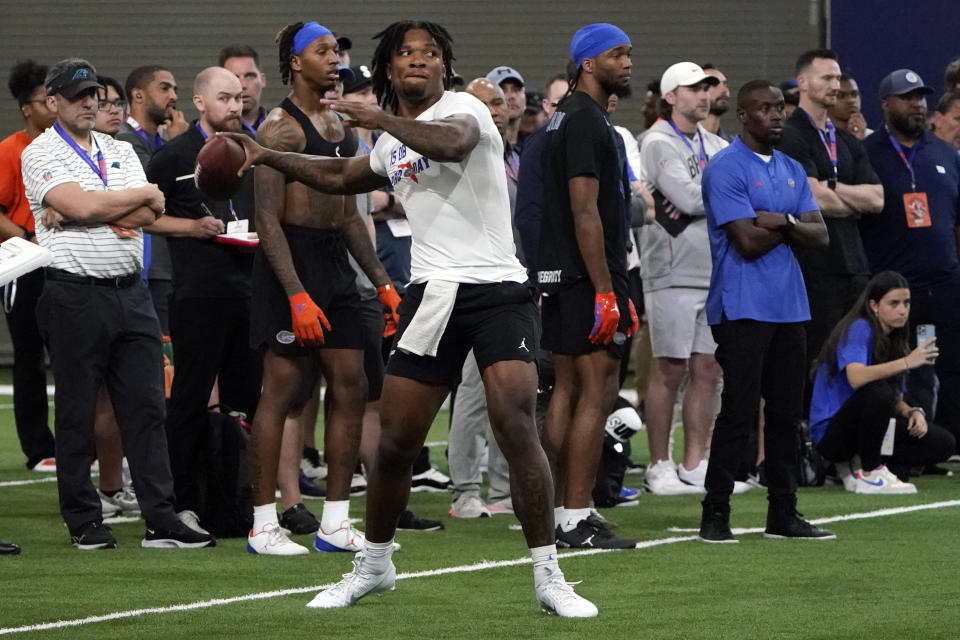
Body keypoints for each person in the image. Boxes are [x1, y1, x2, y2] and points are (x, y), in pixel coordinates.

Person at [222, 19, 597, 617]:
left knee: (514, 420)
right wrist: (272, 156)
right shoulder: (391, 142)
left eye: (429, 53)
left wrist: (377, 120)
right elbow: (346, 176)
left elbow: (448, 145)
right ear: (390, 68)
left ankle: (549, 576)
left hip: (497, 290)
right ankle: (373, 564)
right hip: (431, 294)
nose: (418, 60)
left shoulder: (466, 110)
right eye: (405, 53)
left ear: (444, 66)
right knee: (394, 442)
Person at [21, 58, 213, 550]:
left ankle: (161, 519)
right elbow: (87, 205)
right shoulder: (41, 153)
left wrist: (104, 203)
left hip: (131, 290)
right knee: (77, 412)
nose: (90, 103)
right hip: (74, 292)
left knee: (147, 408)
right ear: (53, 102)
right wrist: (129, 196)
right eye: (78, 96)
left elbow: (152, 210)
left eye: (94, 95)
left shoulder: (119, 148)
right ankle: (84, 519)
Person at [243, 22, 400, 557]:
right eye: (322, 51)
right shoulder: (277, 130)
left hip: (336, 264)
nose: (334, 60)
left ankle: (335, 523)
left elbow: (350, 217)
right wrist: (295, 294)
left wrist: (382, 284)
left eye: (336, 51)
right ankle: (263, 525)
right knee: (284, 391)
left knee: (352, 387)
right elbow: (266, 221)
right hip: (291, 261)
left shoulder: (342, 126)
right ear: (294, 62)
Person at [698, 79, 833, 543]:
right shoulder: (726, 168)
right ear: (743, 114)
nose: (776, 115)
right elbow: (747, 242)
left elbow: (822, 237)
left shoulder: (792, 167)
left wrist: (781, 219)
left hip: (789, 306)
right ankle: (715, 513)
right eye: (765, 108)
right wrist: (793, 225)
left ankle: (783, 513)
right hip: (742, 306)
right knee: (737, 412)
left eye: (780, 107)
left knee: (785, 415)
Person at [147, 67, 263, 535]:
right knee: (190, 401)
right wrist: (191, 228)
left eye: (239, 98)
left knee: (243, 404)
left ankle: (232, 503)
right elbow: (143, 217)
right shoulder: (171, 156)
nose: (235, 106)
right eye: (224, 98)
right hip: (197, 294)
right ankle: (182, 504)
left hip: (248, 292)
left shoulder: (253, 152)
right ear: (199, 102)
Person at [537, 23, 638, 549]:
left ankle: (559, 511)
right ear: (587, 62)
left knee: (568, 392)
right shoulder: (586, 121)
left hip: (563, 276)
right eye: (617, 55)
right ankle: (575, 516)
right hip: (587, 277)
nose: (627, 63)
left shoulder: (565, 118)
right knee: (594, 393)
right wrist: (607, 288)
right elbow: (586, 211)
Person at [777, 49, 884, 412]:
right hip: (817, 267)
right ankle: (814, 452)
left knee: (855, 359)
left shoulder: (847, 141)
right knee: (818, 360)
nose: (835, 85)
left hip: (855, 266)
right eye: (826, 78)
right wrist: (840, 197)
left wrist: (833, 189)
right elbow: (812, 197)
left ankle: (846, 452)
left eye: (837, 78)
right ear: (803, 83)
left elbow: (878, 199)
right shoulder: (792, 135)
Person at [861, 69, 960, 452]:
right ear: (886, 104)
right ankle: (891, 449)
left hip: (945, 284)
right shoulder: (867, 154)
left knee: (950, 368)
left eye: (920, 97)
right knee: (894, 372)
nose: (917, 104)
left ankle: (946, 443)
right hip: (892, 288)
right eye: (907, 97)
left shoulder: (944, 153)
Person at [638, 62, 725, 495]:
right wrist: (727, 192)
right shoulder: (656, 141)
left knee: (707, 368)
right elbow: (689, 199)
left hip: (712, 269)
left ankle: (696, 461)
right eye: (692, 89)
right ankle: (659, 463)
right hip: (671, 269)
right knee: (669, 368)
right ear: (671, 96)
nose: (703, 95)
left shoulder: (715, 142)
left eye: (706, 88)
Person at [809, 270, 954, 492]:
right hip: (832, 435)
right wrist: (907, 361)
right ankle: (869, 472)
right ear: (874, 306)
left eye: (906, 303)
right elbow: (856, 378)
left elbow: (895, 399)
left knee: (942, 443)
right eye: (894, 303)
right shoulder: (860, 327)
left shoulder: (896, 338)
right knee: (878, 390)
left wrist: (912, 412)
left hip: (870, 427)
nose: (902, 310)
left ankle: (871, 466)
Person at [0, 60, 56, 473]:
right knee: (29, 356)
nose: (54, 107)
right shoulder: (9, 150)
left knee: (73, 355)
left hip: (63, 261)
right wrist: (26, 235)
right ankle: (39, 449)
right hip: (23, 264)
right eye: (45, 100)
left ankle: (81, 445)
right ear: (26, 107)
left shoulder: (65, 148)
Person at [117, 65, 189, 335]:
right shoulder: (125, 141)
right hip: (151, 271)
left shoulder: (162, 140)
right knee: (162, 359)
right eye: (164, 88)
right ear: (138, 96)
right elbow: (156, 192)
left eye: (175, 89)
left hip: (171, 267)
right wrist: (180, 144)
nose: (173, 96)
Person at [219, 44, 268, 135]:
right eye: (233, 77)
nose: (242, 85)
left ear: (263, 80)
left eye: (249, 76)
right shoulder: (210, 133)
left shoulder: (283, 128)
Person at [486, 65, 525, 147]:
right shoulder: (478, 148)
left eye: (516, 89)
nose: (511, 96)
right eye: (502, 90)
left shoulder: (535, 145)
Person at [828, 75, 870, 139]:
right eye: (841, 95)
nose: (851, 100)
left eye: (854, 94)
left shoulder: (873, 138)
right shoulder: (819, 137)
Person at [701, 63, 733, 141]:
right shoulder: (677, 144)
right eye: (714, 84)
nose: (725, 90)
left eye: (725, 84)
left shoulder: (732, 147)